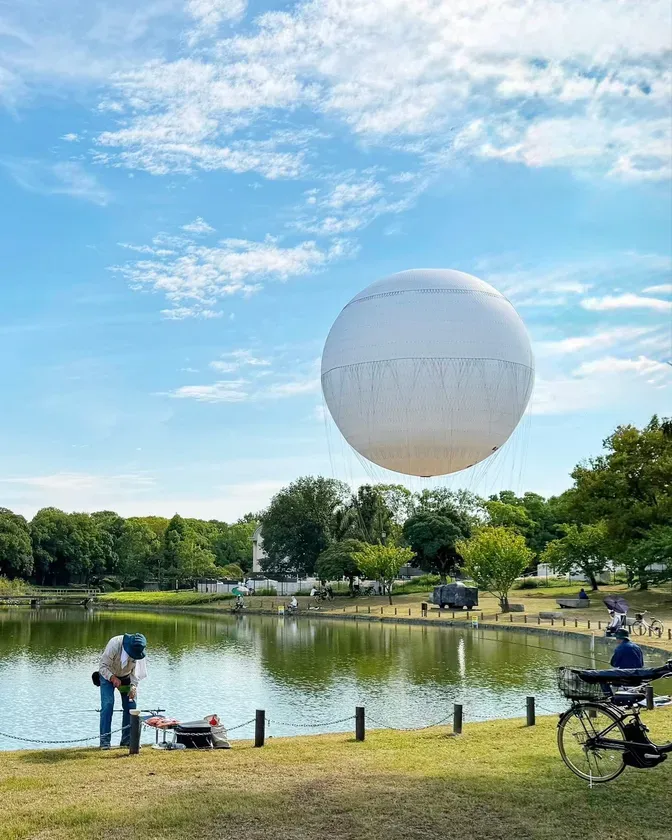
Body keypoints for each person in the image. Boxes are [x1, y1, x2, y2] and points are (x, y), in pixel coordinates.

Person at [98, 633, 147, 749]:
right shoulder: (114, 644)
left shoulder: (139, 651)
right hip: (107, 675)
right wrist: (112, 678)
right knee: (107, 705)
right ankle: (105, 742)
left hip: (127, 677)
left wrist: (133, 686)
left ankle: (127, 740)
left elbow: (137, 674)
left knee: (131, 706)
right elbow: (102, 667)